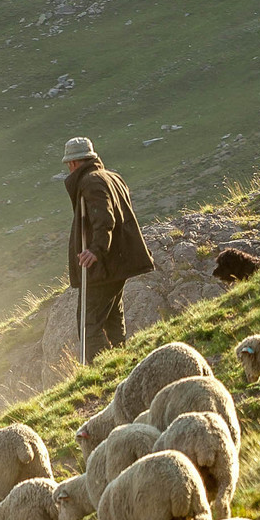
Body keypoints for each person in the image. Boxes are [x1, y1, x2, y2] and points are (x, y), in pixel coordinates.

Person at [60, 135, 155, 364]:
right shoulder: (112, 177)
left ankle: (102, 370)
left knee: (89, 324)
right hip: (117, 264)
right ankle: (123, 364)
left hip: (103, 267)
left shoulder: (90, 182)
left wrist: (96, 250)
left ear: (73, 163)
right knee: (113, 318)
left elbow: (104, 218)